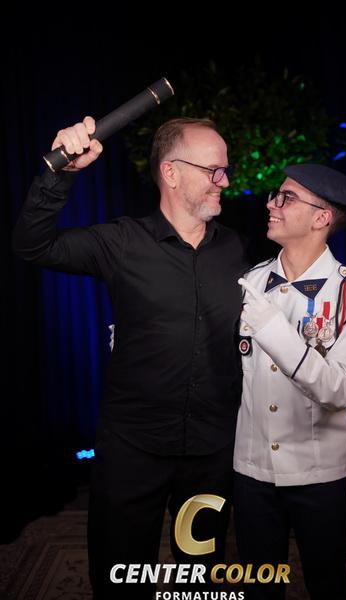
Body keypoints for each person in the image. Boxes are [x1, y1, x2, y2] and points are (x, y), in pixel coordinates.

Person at [13, 116, 249, 598]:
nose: (224, 181)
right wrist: (60, 173)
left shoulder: (236, 248)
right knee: (120, 577)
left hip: (210, 452)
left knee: (199, 578)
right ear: (171, 172)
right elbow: (32, 245)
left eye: (225, 170)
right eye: (213, 170)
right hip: (132, 452)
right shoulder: (121, 242)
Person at [233, 163, 346, 600]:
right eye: (275, 194)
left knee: (327, 584)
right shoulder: (250, 282)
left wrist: (275, 331)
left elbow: (340, 389)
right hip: (253, 470)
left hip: (321, 473)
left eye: (287, 197)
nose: (271, 204)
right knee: (260, 587)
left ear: (321, 218)